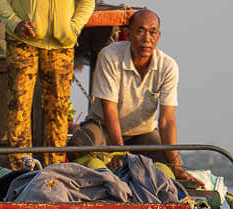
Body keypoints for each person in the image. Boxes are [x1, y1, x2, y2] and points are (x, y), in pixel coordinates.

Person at [68, 9, 192, 184]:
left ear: (158, 36)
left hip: (143, 133)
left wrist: (176, 165)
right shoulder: (110, 56)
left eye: (152, 32)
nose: (146, 38)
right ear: (128, 34)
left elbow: (166, 120)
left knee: (166, 163)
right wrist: (119, 151)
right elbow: (109, 109)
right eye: (140, 31)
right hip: (103, 126)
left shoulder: (168, 66)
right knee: (77, 146)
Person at [0, 0, 95, 169]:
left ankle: (55, 173)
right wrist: (14, 23)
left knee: (59, 111)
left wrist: (73, 27)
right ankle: (21, 172)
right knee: (18, 109)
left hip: (61, 44)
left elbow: (88, 2)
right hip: (22, 40)